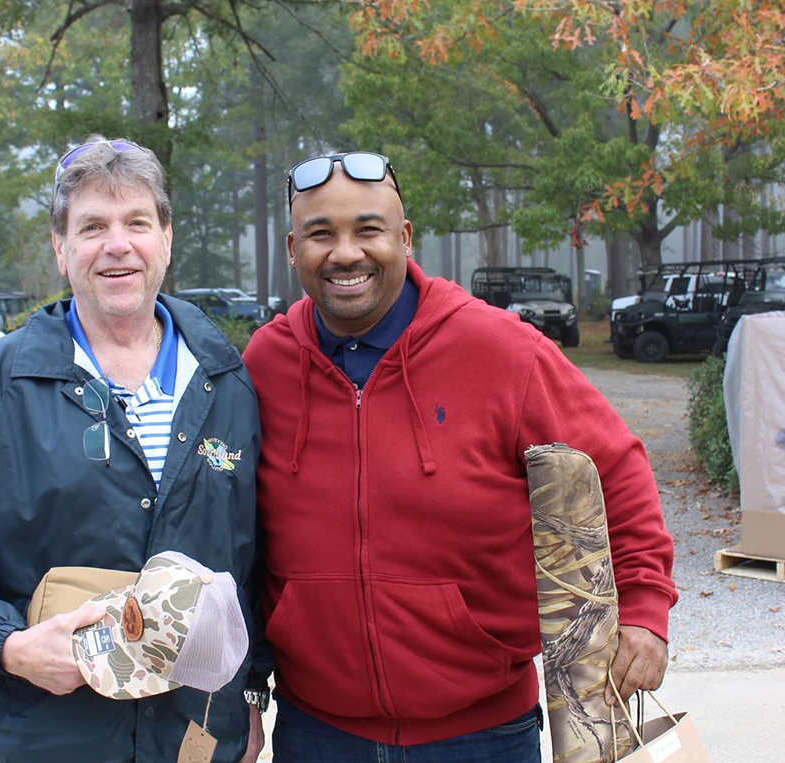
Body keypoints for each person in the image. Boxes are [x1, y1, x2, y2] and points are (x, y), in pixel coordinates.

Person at [241, 151, 677, 761]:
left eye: (368, 230)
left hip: (482, 733)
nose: (345, 253)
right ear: (293, 249)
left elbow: (615, 469)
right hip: (316, 732)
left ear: (405, 238)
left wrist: (644, 607)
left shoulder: (501, 350)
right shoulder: (265, 364)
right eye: (321, 234)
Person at [0, 137, 269, 763]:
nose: (118, 245)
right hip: (47, 735)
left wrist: (248, 690)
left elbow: (251, 558)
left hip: (193, 734)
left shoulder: (227, 381)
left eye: (136, 222)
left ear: (166, 239)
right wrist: (7, 647)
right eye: (92, 226)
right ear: (61, 248)